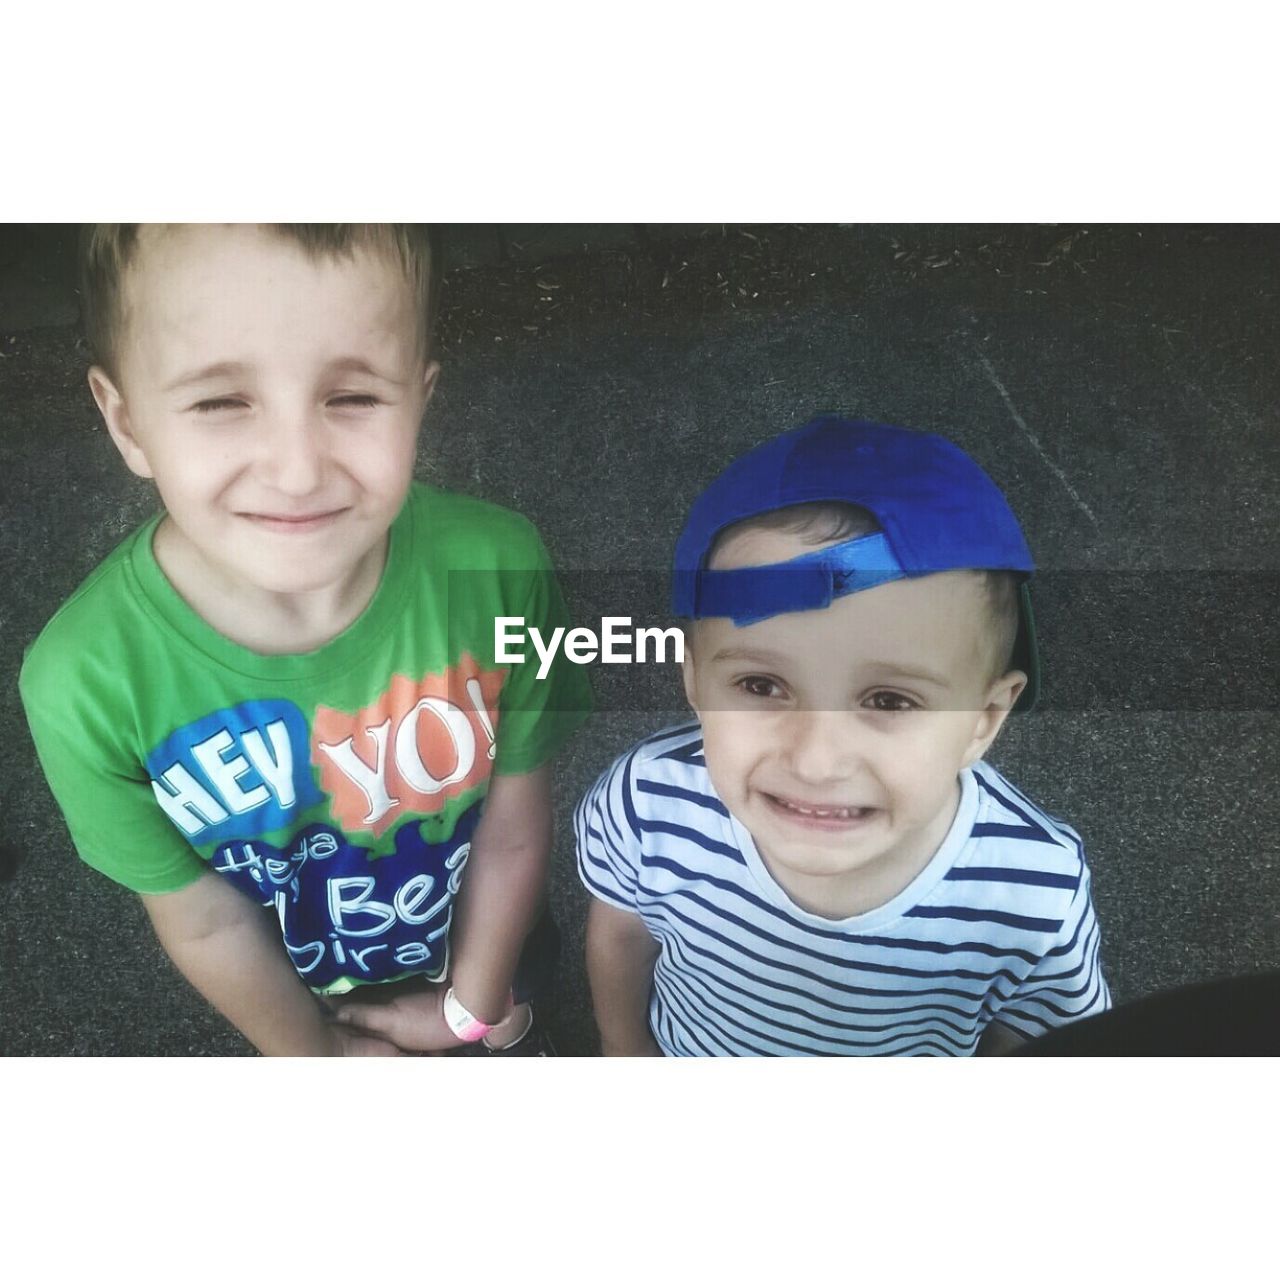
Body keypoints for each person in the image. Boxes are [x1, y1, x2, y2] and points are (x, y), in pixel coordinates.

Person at [19, 224, 590, 1056]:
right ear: (128, 421)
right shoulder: (83, 684)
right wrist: (314, 1060)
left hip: (491, 941)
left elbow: (513, 816)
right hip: (304, 996)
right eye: (220, 402)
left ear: (420, 398)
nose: (296, 469)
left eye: (353, 398)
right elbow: (206, 922)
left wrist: (474, 1005)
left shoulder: (501, 565)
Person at [576, 415, 1109, 1055]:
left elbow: (1036, 1044)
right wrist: (623, 1051)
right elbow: (619, 938)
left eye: (890, 699)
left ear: (982, 721)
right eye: (761, 685)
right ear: (694, 677)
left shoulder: (1033, 889)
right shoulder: (648, 804)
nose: (816, 760)